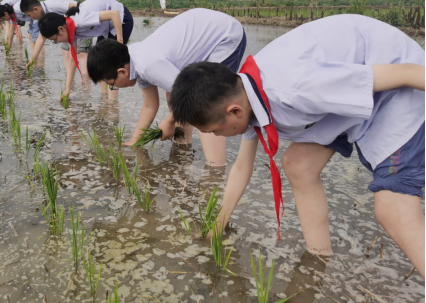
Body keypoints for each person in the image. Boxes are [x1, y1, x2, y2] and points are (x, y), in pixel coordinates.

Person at [168, 15, 426, 279]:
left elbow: (406, 73)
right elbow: (242, 167)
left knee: (392, 210)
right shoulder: (247, 94)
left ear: (233, 112)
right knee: (299, 165)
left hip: (398, 86)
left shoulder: (296, 87)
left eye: (214, 131)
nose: (217, 137)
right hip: (344, 91)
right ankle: (318, 257)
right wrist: (217, 226)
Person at [87, 9, 246, 167]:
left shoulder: (147, 65)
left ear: (122, 72)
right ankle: (182, 147)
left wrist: (169, 122)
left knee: (209, 105)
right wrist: (135, 141)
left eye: (111, 83)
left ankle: (215, 170)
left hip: (225, 36)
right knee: (174, 96)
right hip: (202, 32)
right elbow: (150, 105)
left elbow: (192, 93)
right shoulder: (134, 58)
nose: (113, 87)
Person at [38, 0, 134, 99]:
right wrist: (67, 90)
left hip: (121, 19)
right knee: (99, 60)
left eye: (54, 40)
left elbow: (114, 14)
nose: (57, 42)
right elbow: (72, 61)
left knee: (112, 62)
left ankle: (112, 102)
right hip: (105, 26)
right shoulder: (70, 30)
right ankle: (105, 97)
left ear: (61, 29)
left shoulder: (80, 20)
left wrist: (119, 42)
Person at [19, 0, 84, 69]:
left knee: (82, 53)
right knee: (65, 51)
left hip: (83, 26)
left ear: (35, 9)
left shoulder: (53, 5)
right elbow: (41, 37)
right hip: (68, 31)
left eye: (29, 15)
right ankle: (69, 77)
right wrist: (33, 59)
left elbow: (79, 8)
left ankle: (85, 78)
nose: (30, 18)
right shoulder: (45, 18)